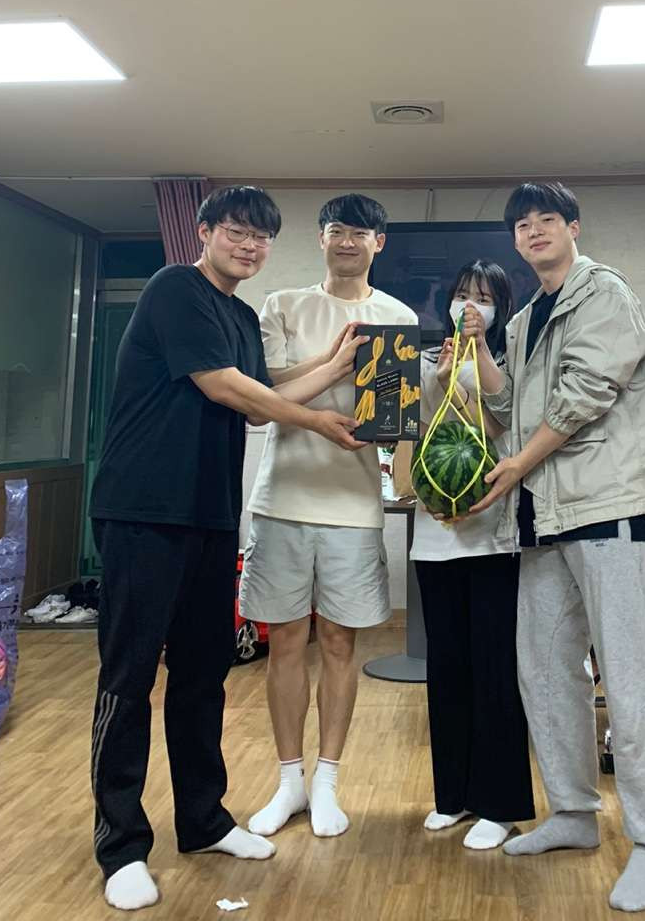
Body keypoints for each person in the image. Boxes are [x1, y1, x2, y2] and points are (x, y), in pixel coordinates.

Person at [88, 186, 366, 912]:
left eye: (261, 238)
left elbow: (261, 392)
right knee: (128, 677)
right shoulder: (173, 289)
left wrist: (335, 367)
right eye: (237, 232)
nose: (249, 247)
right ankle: (121, 847)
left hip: (211, 515)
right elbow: (224, 388)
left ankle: (204, 822)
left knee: (203, 674)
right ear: (204, 232)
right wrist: (319, 422)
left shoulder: (241, 315)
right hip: (142, 511)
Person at [467, 182, 645, 914]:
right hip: (543, 518)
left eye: (546, 220)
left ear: (573, 227)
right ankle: (572, 812)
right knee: (543, 670)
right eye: (522, 225)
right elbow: (508, 408)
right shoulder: (525, 316)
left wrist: (516, 467)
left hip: (608, 506)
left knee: (629, 677)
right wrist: (478, 348)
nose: (533, 232)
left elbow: (587, 392)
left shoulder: (603, 292)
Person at [240, 193, 417, 840]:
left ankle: (327, 783)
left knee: (341, 643)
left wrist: (398, 440)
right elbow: (263, 398)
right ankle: (288, 780)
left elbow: (392, 419)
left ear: (378, 243)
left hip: (353, 504)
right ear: (320, 239)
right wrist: (335, 364)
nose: (348, 240)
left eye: (360, 232)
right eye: (337, 230)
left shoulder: (396, 317)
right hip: (282, 499)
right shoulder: (283, 305)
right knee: (286, 641)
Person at [411, 260, 535, 851]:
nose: (470, 306)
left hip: (493, 534)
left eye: (483, 298)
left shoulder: (512, 361)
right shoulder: (427, 361)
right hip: (435, 534)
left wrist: (476, 354)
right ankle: (453, 795)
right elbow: (415, 434)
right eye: (462, 294)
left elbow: (501, 423)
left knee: (494, 668)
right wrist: (439, 380)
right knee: (447, 667)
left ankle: (500, 804)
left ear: (500, 308)